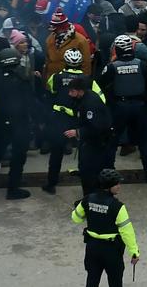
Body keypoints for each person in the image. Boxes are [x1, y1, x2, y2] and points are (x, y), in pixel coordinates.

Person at [42, 49, 104, 194]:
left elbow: (49, 94)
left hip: (59, 119)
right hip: (79, 120)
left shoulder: (56, 77)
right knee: (84, 153)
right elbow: (101, 99)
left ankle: (51, 183)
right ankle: (89, 186)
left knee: (56, 152)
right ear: (81, 63)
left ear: (65, 62)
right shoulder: (88, 80)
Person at [99, 35, 147, 183]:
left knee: (112, 142)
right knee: (144, 142)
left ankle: (109, 175)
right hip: (140, 106)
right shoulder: (142, 64)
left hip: (119, 107)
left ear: (116, 49)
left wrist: (109, 103)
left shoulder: (112, 66)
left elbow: (100, 85)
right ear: (132, 48)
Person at [71, 168, 140, 287]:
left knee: (92, 279)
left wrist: (88, 212)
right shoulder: (118, 207)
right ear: (109, 187)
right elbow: (127, 232)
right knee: (115, 281)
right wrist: (134, 252)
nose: (119, 186)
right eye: (116, 184)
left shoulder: (87, 199)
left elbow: (76, 218)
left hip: (92, 248)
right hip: (111, 250)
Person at [0, 48, 32, 200]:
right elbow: (28, 102)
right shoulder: (22, 79)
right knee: (18, 156)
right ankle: (13, 189)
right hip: (18, 123)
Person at [64, 77, 114, 195]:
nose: (69, 94)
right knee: (85, 168)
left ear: (80, 91)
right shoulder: (83, 98)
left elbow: (96, 127)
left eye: (72, 91)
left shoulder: (90, 103)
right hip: (89, 142)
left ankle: (91, 197)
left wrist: (77, 132)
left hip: (96, 142)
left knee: (89, 170)